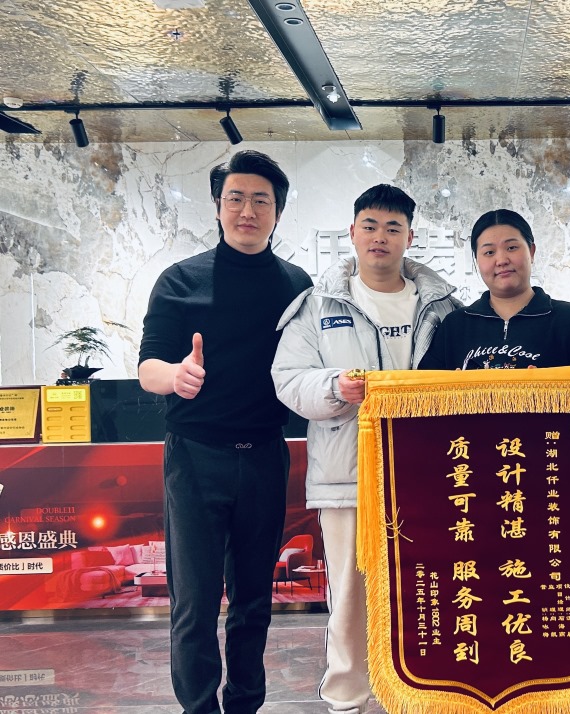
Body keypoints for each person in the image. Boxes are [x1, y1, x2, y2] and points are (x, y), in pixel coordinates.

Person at [270, 184, 462, 714]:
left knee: (429, 586)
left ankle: (427, 691)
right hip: (347, 473)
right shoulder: (317, 305)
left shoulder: (444, 307)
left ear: (410, 238)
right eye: (371, 226)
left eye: (393, 228)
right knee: (350, 594)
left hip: (429, 476)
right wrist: (335, 387)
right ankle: (347, 696)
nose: (381, 237)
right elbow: (288, 379)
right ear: (352, 233)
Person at [138, 150, 313, 714]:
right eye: (235, 198)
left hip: (264, 455)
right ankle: (198, 708)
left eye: (261, 200)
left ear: (277, 212)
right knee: (193, 603)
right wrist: (176, 376)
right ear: (217, 206)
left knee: (254, 600)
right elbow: (148, 366)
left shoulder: (297, 286)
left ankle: (244, 704)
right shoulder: (179, 280)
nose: (247, 210)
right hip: (196, 458)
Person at [418, 209, 570, 370]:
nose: (501, 260)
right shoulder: (454, 326)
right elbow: (426, 392)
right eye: (489, 252)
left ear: (531, 252)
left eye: (512, 247)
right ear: (476, 261)